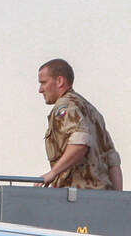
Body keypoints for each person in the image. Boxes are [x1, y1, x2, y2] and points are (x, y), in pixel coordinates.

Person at [37, 59, 122, 190]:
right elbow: (112, 160)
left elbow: (80, 142)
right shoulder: (91, 111)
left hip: (76, 196)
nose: (40, 90)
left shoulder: (65, 107)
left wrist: (52, 173)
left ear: (60, 81)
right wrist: (117, 198)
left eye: (44, 83)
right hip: (102, 197)